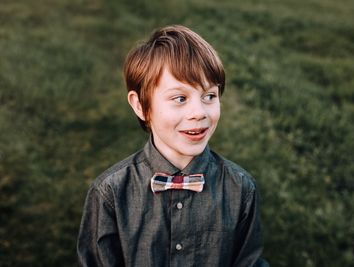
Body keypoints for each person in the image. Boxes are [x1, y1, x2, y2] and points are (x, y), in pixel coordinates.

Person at [77, 25, 269, 267]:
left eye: (209, 96)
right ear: (140, 106)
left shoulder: (241, 189)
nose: (198, 113)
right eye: (180, 98)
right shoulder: (110, 194)